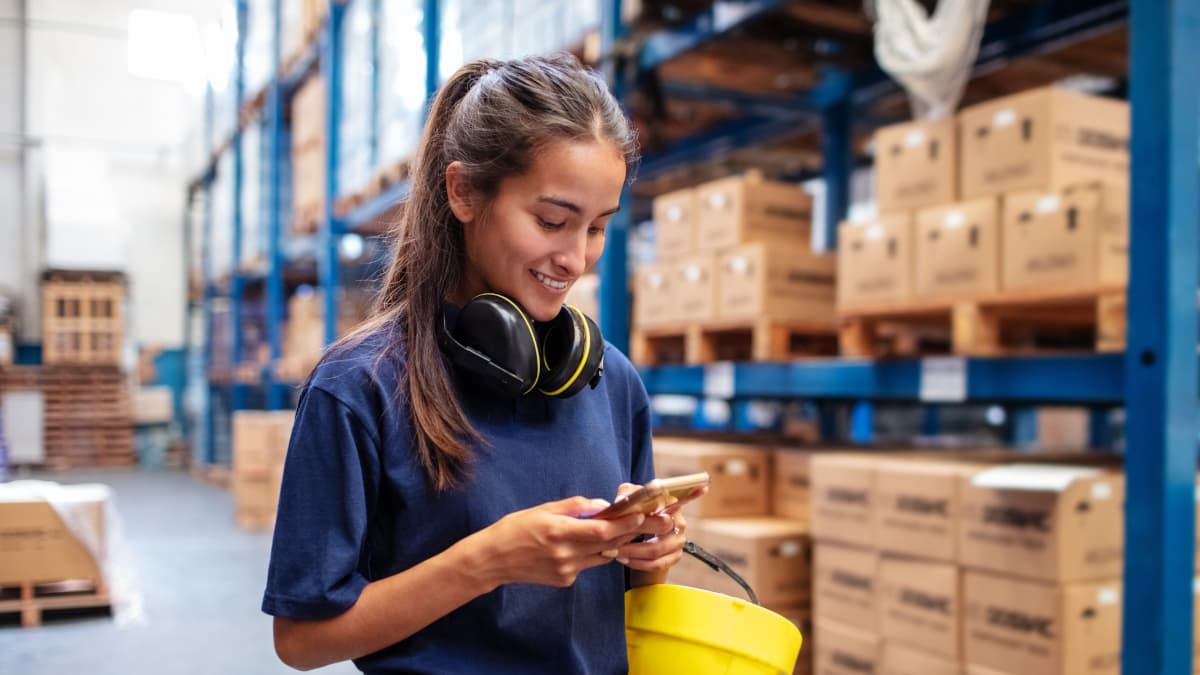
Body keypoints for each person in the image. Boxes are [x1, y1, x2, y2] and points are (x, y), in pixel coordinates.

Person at [262, 54, 696, 674]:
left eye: (598, 228)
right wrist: (487, 562)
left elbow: (620, 605)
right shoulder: (358, 388)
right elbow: (301, 641)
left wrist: (650, 556)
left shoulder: (611, 381)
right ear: (463, 191)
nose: (575, 259)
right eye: (552, 220)